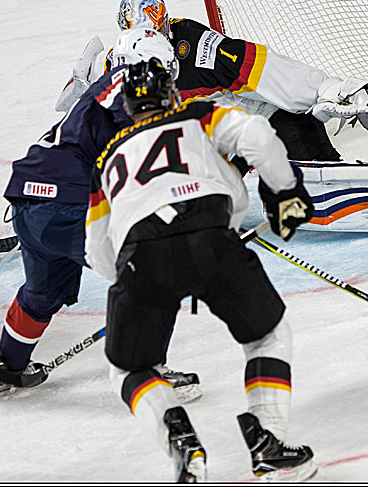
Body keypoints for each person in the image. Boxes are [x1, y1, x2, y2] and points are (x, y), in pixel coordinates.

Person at [58, 0, 368, 234]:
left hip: (270, 120)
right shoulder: (117, 64)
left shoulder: (202, 50)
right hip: (216, 140)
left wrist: (332, 91)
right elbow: (84, 114)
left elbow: (270, 70)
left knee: (310, 199)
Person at [85, 57, 318, 482]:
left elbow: (99, 251)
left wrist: (136, 285)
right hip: (212, 238)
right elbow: (257, 135)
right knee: (266, 336)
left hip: (140, 256)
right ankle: (268, 443)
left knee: (131, 369)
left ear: (129, 107)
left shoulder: (106, 160)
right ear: (171, 94)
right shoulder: (196, 115)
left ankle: (181, 443)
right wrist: (285, 191)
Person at [0, 33, 201, 403]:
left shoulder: (103, 92)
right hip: (67, 207)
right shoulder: (130, 85)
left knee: (43, 294)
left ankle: (7, 367)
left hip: (29, 204)